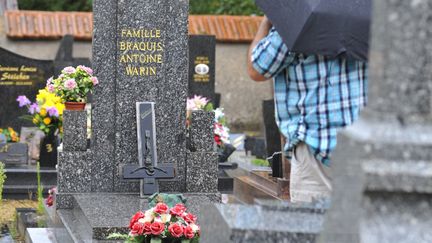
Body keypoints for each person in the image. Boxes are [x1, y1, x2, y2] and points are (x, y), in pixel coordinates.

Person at [247, 17, 368, 203]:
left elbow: (257, 68)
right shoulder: (371, 16)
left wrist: (267, 22)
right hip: (363, 147)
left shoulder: (302, 18)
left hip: (316, 147)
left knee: (312, 228)